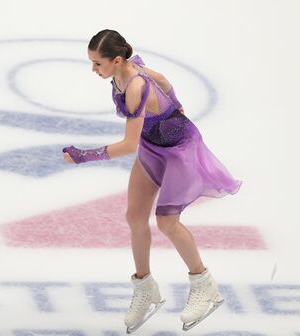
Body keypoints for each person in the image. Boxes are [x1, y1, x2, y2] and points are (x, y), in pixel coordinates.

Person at [63, 29, 241, 332]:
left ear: (116, 59)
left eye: (97, 63)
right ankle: (145, 288)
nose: (93, 69)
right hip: (153, 147)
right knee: (135, 217)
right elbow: (165, 81)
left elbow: (128, 144)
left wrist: (84, 156)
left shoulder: (135, 85)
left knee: (167, 222)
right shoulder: (124, 72)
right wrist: (174, 100)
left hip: (179, 151)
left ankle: (204, 285)